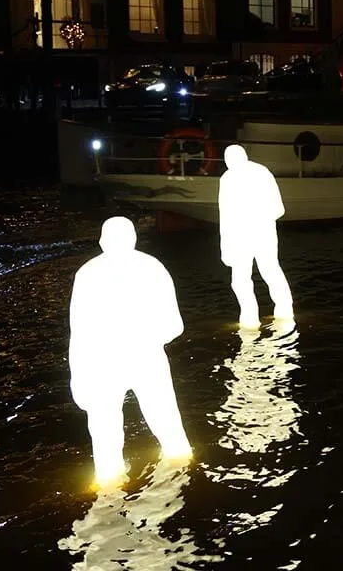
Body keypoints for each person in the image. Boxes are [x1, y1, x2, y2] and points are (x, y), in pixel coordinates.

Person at [68, 217, 192, 488]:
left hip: (102, 364)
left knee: (105, 439)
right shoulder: (153, 268)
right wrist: (149, 338)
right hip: (147, 359)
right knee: (169, 428)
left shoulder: (86, 274)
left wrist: (77, 380)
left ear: (101, 242)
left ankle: (108, 498)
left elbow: (79, 333)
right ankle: (183, 485)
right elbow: (175, 326)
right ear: (134, 239)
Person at [218, 144, 294, 329]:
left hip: (243, 235)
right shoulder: (261, 172)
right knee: (268, 272)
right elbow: (279, 209)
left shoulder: (228, 178)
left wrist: (226, 249)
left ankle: (251, 318)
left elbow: (226, 216)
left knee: (243, 278)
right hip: (260, 233)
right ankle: (283, 311)